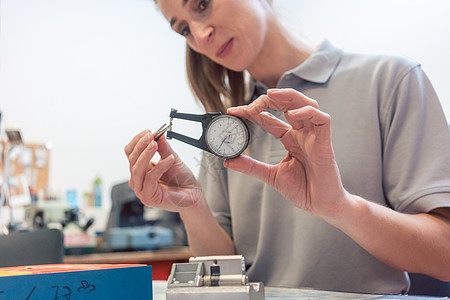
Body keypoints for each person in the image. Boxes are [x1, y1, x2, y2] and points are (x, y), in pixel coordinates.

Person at [125, 0, 450, 294]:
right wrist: (192, 206)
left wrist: (340, 207)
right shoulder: (225, 126)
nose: (199, 34)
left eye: (202, 4)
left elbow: (445, 256)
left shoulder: (390, 80)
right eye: (183, 29)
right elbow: (224, 268)